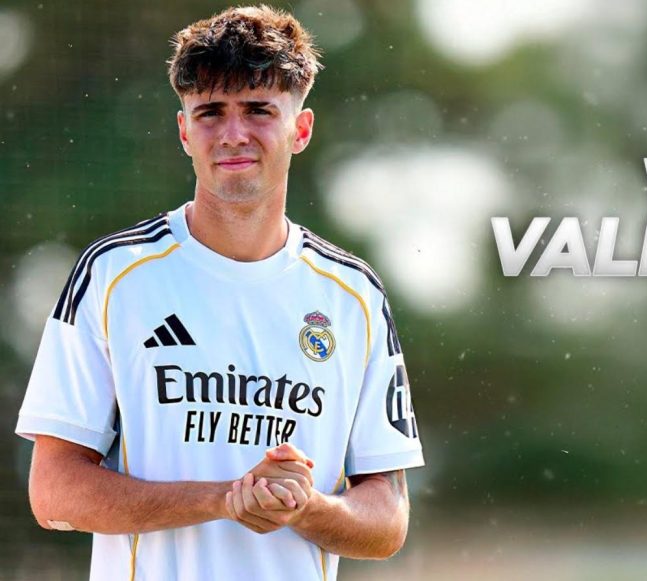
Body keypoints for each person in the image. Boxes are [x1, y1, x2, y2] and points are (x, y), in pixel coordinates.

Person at [15, 6, 423, 580]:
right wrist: (225, 498)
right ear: (185, 131)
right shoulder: (112, 275)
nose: (234, 134)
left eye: (259, 110)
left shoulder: (353, 296)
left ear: (301, 130)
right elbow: (54, 493)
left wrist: (302, 507)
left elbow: (387, 521)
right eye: (211, 113)